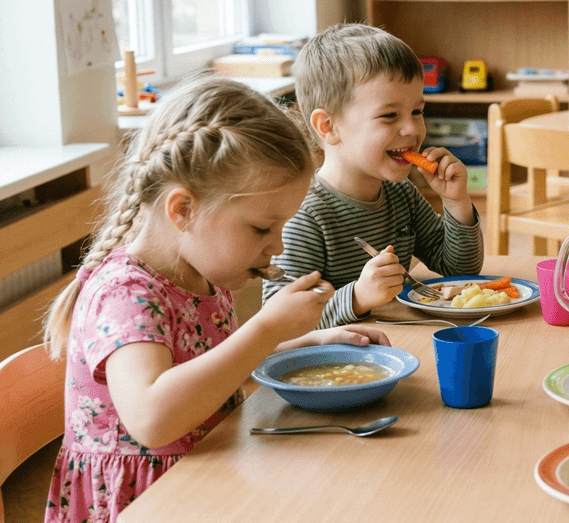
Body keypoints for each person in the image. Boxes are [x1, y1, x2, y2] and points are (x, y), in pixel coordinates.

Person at [42, 75, 388, 523]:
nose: (278, 246)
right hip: (147, 502)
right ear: (183, 210)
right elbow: (152, 418)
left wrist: (305, 344)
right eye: (262, 228)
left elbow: (208, 368)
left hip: (211, 474)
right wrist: (265, 330)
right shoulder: (126, 294)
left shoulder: (201, 272)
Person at [266, 23, 482, 328]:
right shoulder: (305, 215)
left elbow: (460, 269)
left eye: (417, 112)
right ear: (328, 126)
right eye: (389, 115)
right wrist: (356, 298)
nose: (412, 129)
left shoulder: (400, 194)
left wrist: (457, 203)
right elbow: (278, 323)